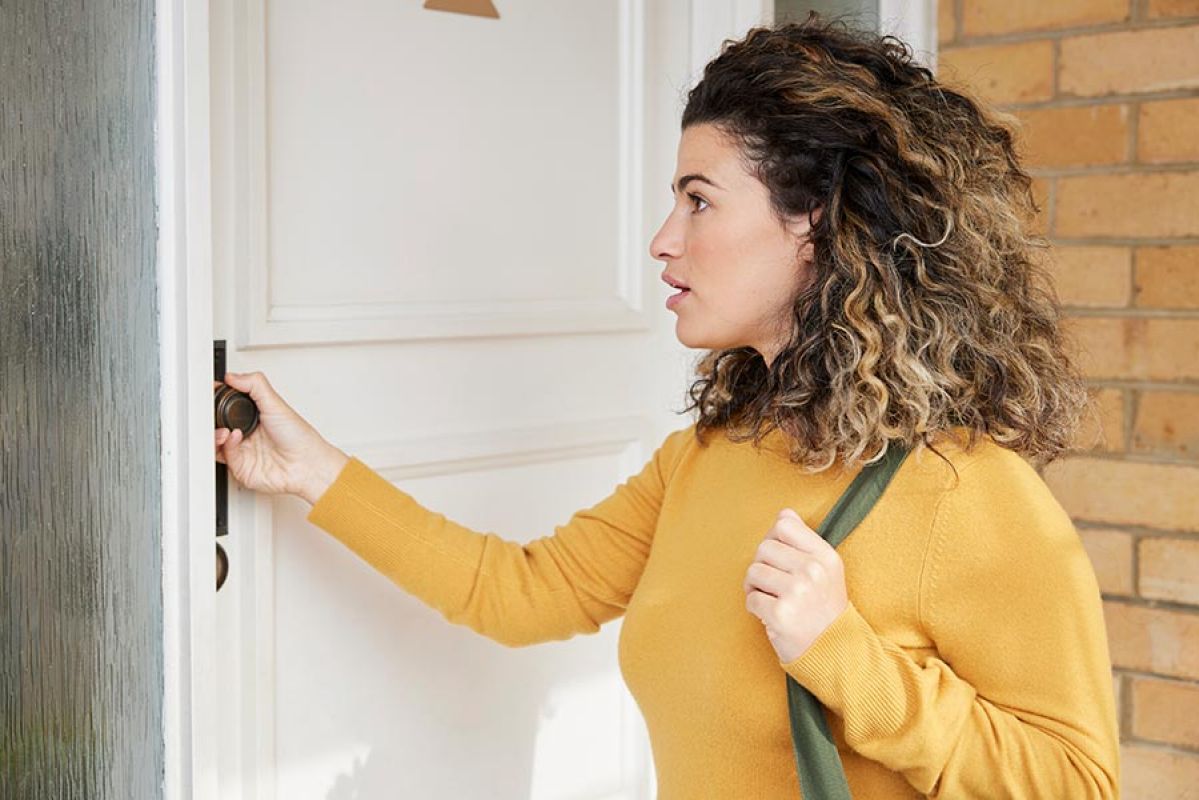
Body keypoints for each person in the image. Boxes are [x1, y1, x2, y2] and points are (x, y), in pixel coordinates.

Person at [214, 15, 1119, 799]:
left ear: (816, 227)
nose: (662, 240)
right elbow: (517, 593)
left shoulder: (967, 492)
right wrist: (310, 470)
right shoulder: (709, 456)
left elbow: (1076, 780)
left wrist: (844, 656)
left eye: (698, 201)